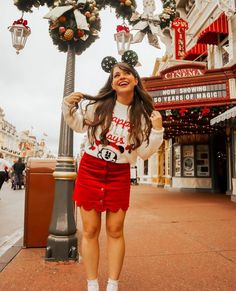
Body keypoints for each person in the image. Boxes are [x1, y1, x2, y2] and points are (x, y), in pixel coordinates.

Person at [62, 52, 164, 291]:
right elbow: (77, 124)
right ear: (111, 83)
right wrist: (68, 105)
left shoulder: (141, 115)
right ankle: (92, 284)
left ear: (135, 79)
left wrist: (157, 131)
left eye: (126, 72)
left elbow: (145, 152)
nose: (121, 77)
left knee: (115, 230)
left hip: (119, 173)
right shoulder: (98, 105)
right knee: (90, 230)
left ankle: (112, 284)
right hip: (90, 169)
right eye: (116, 75)